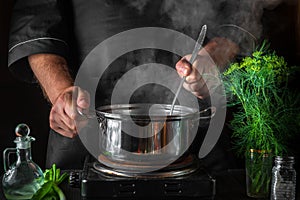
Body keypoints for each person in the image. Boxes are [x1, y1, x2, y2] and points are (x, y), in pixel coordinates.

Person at [8, 0, 256, 171]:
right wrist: (62, 92)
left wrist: (213, 56)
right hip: (87, 133)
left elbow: (242, 14)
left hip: (198, 141)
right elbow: (35, 21)